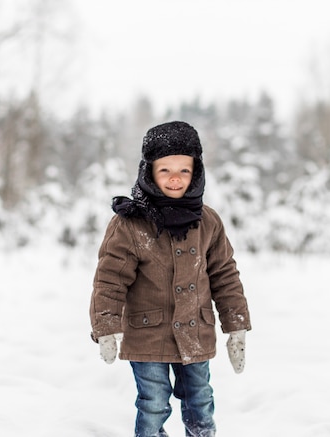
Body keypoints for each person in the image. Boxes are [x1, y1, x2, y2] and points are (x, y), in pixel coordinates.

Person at [89, 121, 252, 437]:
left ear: (197, 172)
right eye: (165, 170)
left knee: (200, 400)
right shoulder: (130, 225)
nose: (175, 178)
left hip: (196, 333)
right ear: (149, 172)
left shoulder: (208, 222)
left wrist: (237, 326)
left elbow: (225, 275)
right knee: (153, 403)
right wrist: (106, 327)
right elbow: (110, 279)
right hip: (146, 336)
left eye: (184, 170)